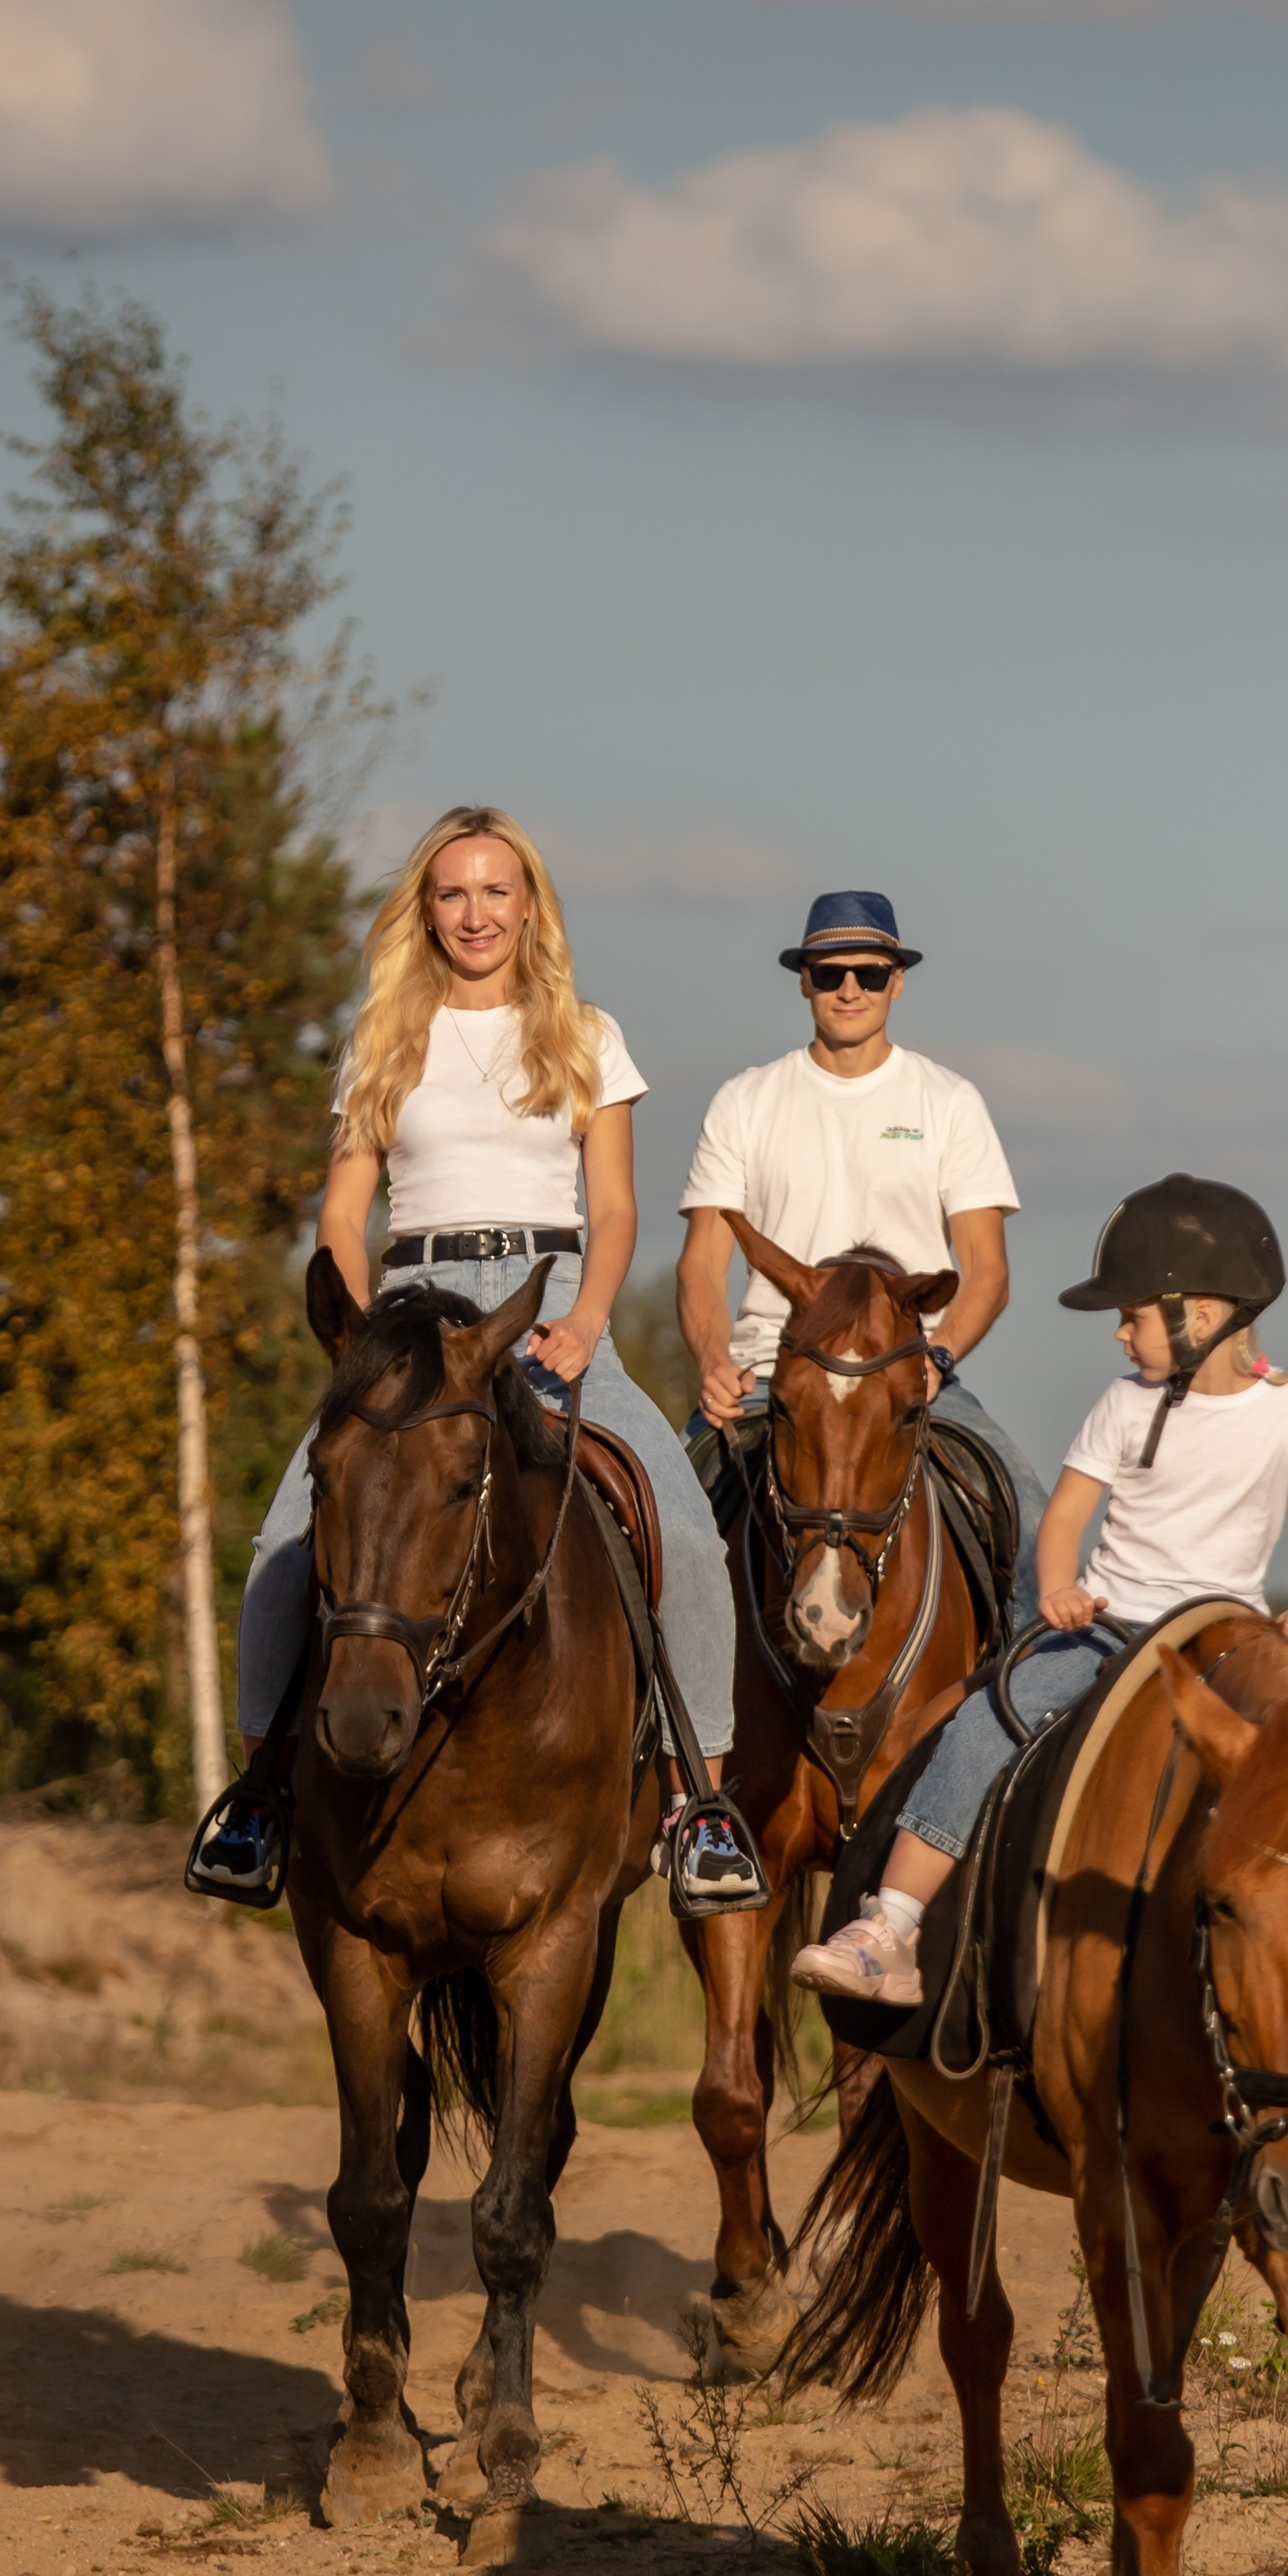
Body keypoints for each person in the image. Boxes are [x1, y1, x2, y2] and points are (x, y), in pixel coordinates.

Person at [791, 1173, 1288, 2049]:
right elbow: (1064, 1515)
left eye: (1131, 1313)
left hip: (1236, 1634)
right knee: (987, 1721)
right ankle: (893, 1927)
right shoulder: (1120, 1402)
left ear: (1202, 1316)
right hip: (1113, 1629)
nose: (1117, 1331)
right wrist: (1060, 1587)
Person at [187, 804, 760, 1912]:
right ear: (426, 910)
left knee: (685, 1531)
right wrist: (358, 1346)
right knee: (282, 1539)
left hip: (544, 1303)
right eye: (453, 893)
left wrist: (589, 1318)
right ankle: (260, 1801)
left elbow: (614, 1207)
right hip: (411, 1308)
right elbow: (344, 1212)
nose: (475, 913)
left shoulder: (589, 1036)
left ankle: (701, 1809)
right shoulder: (382, 1041)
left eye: (497, 891)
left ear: (530, 906)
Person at [676, 889, 1047, 1625]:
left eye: (869, 975)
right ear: (804, 979)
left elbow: (988, 1271)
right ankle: (648, 1729)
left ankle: (1035, 1717)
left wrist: (936, 1362)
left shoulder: (948, 1101)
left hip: (908, 1378)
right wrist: (715, 1362)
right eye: (830, 972)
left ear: (897, 982)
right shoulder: (745, 1100)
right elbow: (700, 1265)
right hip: (769, 1374)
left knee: (1034, 1524)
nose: (850, 988)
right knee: (664, 1535)